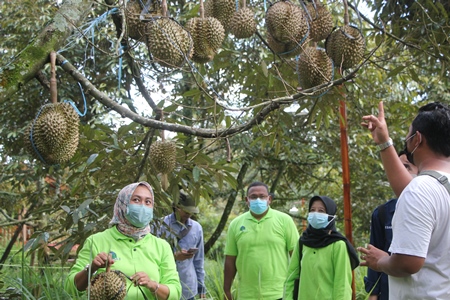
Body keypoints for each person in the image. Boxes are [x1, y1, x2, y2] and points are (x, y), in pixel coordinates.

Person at [358, 101, 450, 299]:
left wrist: (380, 261)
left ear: (417, 139)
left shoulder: (420, 190)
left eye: (408, 134)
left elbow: (409, 262)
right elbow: (415, 194)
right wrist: (384, 142)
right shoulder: (437, 187)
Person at [64, 182, 182, 300]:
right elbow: (70, 288)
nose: (142, 206)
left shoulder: (161, 246)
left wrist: (152, 285)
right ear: (123, 203)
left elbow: (175, 292)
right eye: (136, 200)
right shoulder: (96, 241)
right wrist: (92, 268)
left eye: (148, 202)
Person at [223, 181, 299, 300]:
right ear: (246, 200)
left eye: (262, 196)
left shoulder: (285, 221)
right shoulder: (236, 224)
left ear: (269, 199)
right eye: (253, 197)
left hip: (279, 294)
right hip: (247, 295)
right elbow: (230, 260)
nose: (258, 200)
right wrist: (226, 290)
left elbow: (296, 256)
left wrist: (296, 289)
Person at [364, 151, 418, 300]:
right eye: (398, 167)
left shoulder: (438, 205)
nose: (400, 172)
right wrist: (373, 293)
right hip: (388, 292)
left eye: (406, 167)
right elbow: (374, 252)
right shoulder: (382, 213)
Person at [284, 195, 360, 300]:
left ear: (330, 215)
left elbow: (342, 284)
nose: (316, 214)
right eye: (312, 210)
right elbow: (291, 277)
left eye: (321, 211)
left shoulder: (338, 245)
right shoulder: (303, 242)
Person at [159, 191, 206, 300]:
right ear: (176, 207)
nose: (188, 214)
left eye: (191, 212)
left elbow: (199, 260)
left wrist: (201, 286)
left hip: (188, 288)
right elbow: (152, 257)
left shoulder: (197, 228)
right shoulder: (161, 225)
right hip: (165, 286)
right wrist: (174, 257)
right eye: (186, 211)